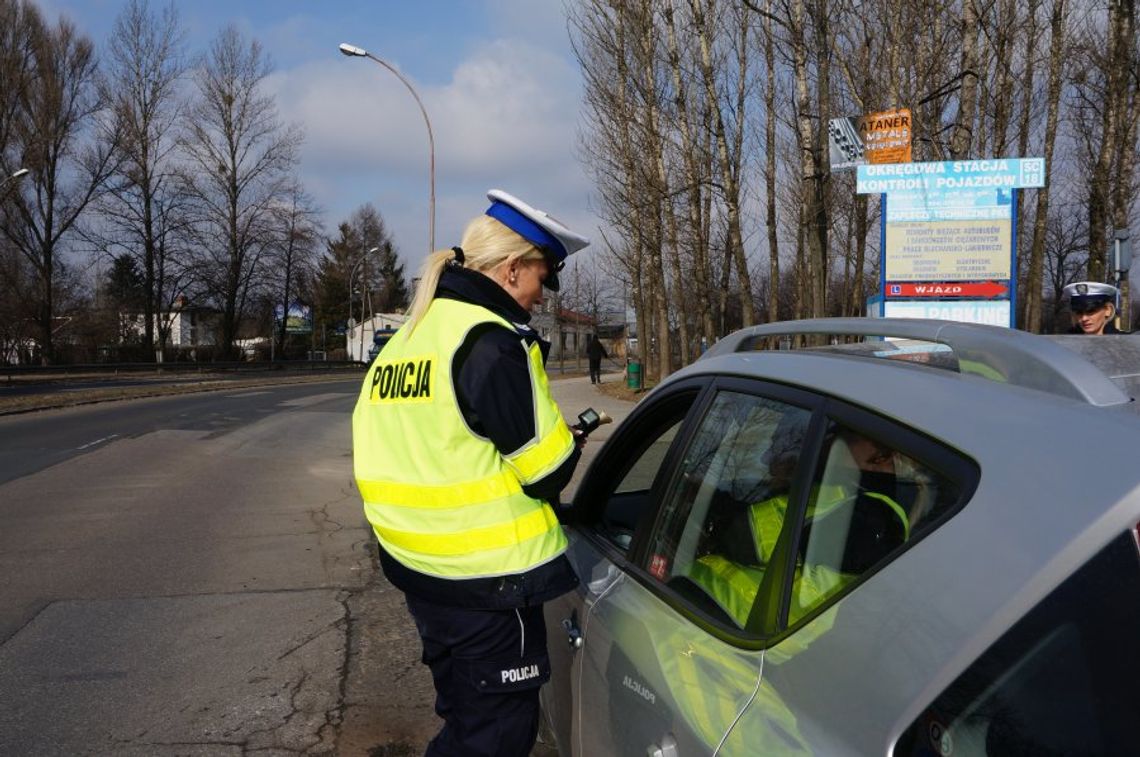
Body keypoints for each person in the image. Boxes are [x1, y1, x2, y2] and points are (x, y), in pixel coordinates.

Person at [352, 189, 590, 756]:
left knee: (465, 726)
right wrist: (567, 438)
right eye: (543, 277)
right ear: (512, 269)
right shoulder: (490, 341)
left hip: (423, 575)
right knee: (497, 740)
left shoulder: (410, 339)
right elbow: (548, 471)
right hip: (490, 585)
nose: (540, 297)